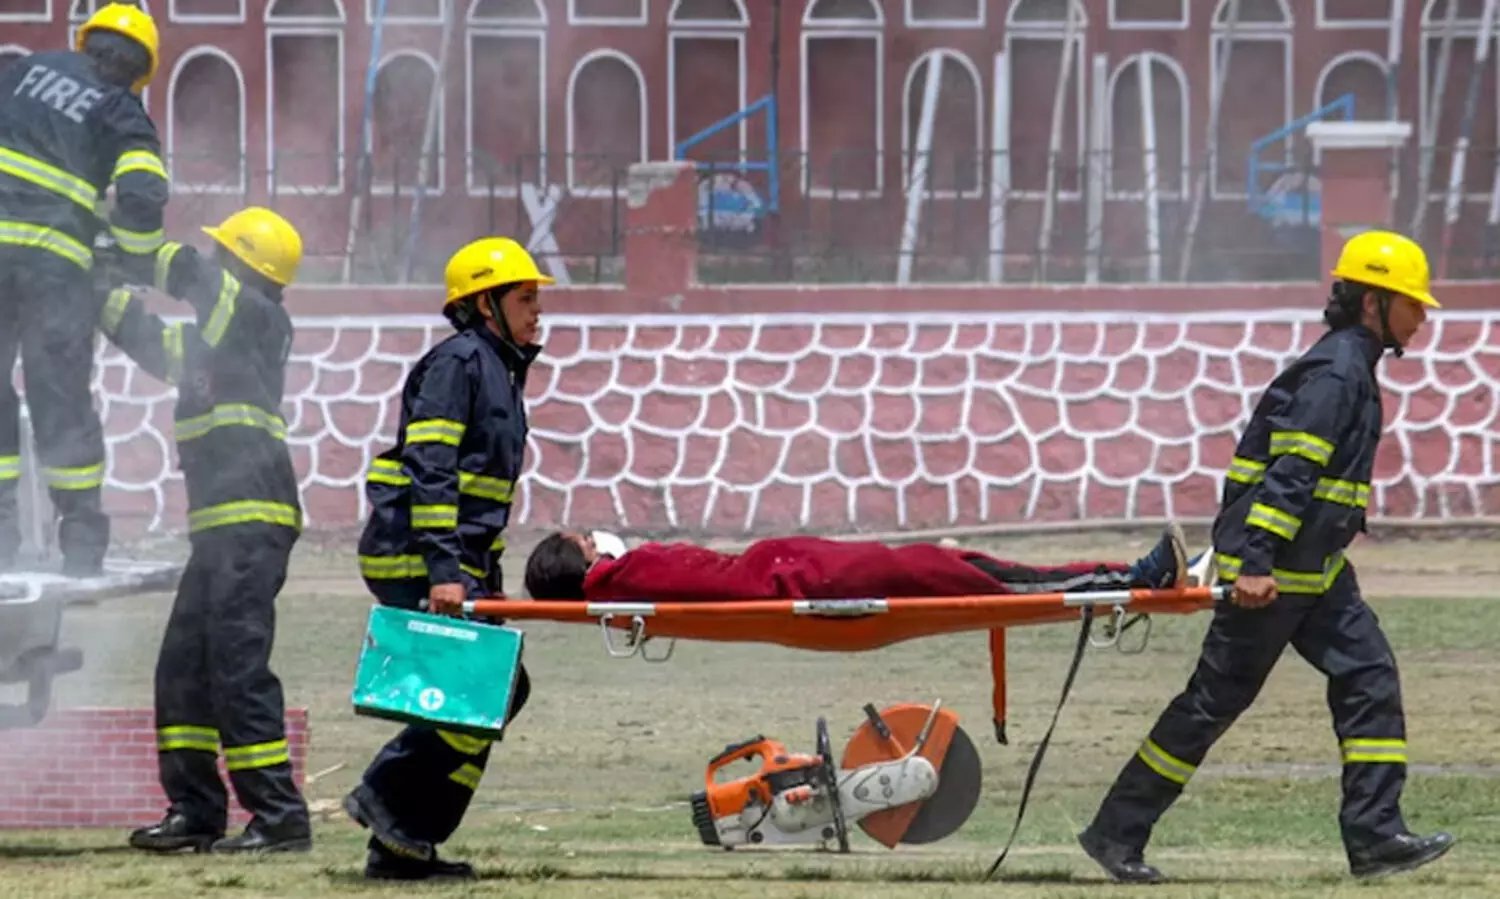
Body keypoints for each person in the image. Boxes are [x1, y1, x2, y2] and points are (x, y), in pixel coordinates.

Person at [1076, 230, 1456, 884]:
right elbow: (1288, 477)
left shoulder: (1350, 366)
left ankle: (1374, 835)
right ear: (1374, 302)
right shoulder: (1336, 373)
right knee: (1210, 704)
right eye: (1411, 304)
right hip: (1276, 575)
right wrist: (1253, 564)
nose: (1421, 317)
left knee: (1370, 680)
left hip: (1319, 574)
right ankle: (1116, 830)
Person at [98, 208, 312, 855]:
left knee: (236, 670)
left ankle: (279, 816)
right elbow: (147, 338)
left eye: (225, 256)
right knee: (182, 670)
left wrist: (119, 245)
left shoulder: (256, 318)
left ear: (245, 266)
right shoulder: (214, 343)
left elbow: (192, 276)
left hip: (251, 524)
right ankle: (195, 808)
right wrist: (95, 288)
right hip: (218, 532)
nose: (213, 263)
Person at [344, 236, 550, 882]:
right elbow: (431, 471)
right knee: (489, 689)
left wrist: (478, 571)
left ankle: (403, 842)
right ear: (484, 304)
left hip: (459, 560)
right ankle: (386, 798)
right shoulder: (459, 363)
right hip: (418, 554)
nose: (537, 311)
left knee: (486, 693)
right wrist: (443, 572)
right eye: (524, 297)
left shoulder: (498, 366)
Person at [0, 2, 168, 575]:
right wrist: (130, 261)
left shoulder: (21, 72)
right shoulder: (122, 109)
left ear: (85, 42)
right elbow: (143, 194)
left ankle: (0, 536)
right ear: (139, 68)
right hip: (54, 269)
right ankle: (81, 544)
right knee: (60, 398)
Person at [522, 524, 1190, 603]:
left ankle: (1130, 571)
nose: (600, 539)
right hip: (815, 576)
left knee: (969, 566)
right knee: (983, 579)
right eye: (588, 541)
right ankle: (1132, 578)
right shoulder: (628, 574)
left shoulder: (626, 575)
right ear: (581, 565)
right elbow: (728, 583)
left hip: (809, 565)